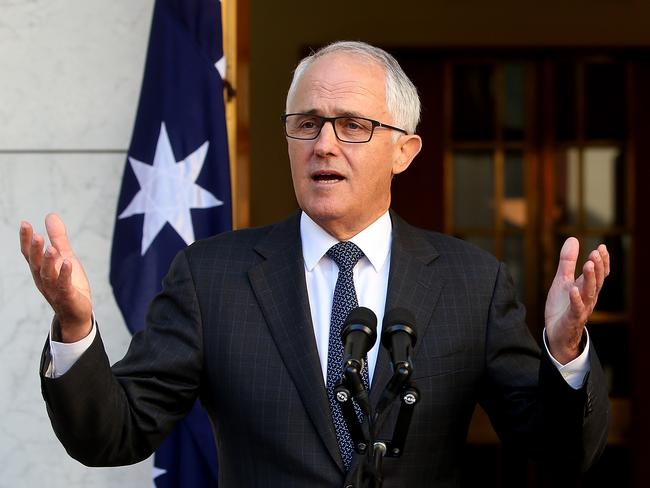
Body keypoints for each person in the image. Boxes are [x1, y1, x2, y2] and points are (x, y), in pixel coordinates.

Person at [20, 41, 610, 487]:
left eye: (354, 125)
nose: (324, 144)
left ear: (405, 150)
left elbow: (558, 451)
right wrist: (74, 328)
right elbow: (113, 434)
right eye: (307, 124)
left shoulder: (470, 282)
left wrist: (564, 352)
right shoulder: (212, 278)